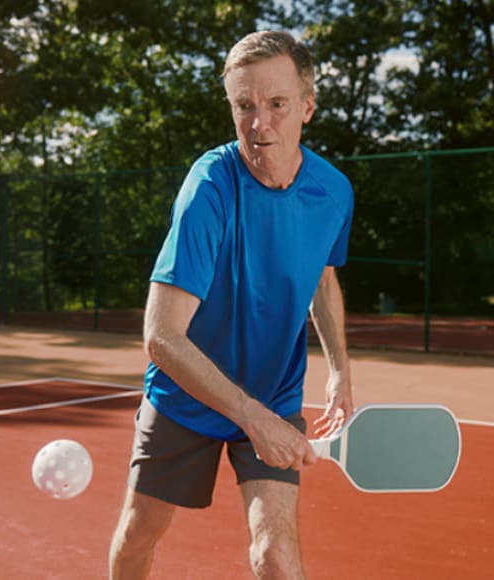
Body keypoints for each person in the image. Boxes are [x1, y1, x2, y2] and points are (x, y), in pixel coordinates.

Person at [109, 31, 355, 579]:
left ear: (307, 107)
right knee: (137, 537)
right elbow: (162, 336)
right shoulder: (209, 189)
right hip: (186, 396)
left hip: (274, 393)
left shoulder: (334, 193)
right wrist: (251, 418)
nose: (258, 124)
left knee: (275, 554)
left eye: (276, 105)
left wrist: (339, 369)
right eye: (244, 105)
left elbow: (322, 277)